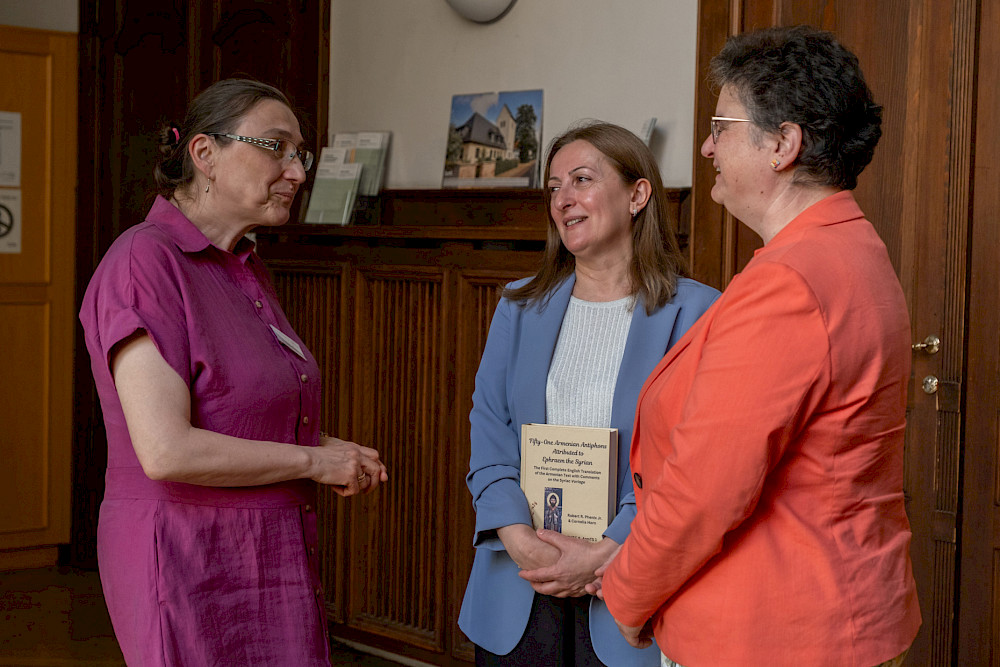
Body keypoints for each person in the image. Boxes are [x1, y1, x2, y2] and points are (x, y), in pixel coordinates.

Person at [591, 26, 922, 667]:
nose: (708, 146)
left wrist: (627, 594)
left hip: (777, 630)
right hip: (847, 612)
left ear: (782, 145)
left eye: (722, 126)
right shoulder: (851, 245)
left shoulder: (791, 281)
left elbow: (704, 490)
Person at [79, 78, 388, 666]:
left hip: (269, 554)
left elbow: (234, 410)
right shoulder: (144, 260)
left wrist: (324, 445)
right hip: (185, 557)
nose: (296, 172)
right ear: (205, 154)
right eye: (276, 147)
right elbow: (167, 450)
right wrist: (313, 462)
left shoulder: (243, 266)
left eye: (301, 155)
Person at [458, 121, 720, 666]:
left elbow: (696, 457)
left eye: (581, 180)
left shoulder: (699, 313)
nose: (563, 200)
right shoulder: (518, 305)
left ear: (637, 195)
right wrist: (518, 536)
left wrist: (610, 549)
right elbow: (489, 427)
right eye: (554, 187)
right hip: (521, 577)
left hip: (632, 583)